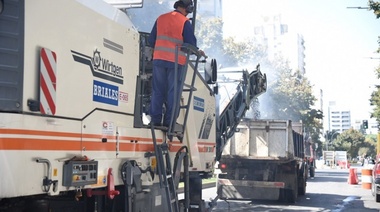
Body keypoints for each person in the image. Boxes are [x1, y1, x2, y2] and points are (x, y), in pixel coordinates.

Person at [148, 0, 206, 128]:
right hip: (175, 62)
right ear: (188, 8)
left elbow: (151, 41)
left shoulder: (161, 18)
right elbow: (189, 45)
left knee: (158, 90)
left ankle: (155, 120)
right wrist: (198, 51)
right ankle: (169, 122)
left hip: (158, 60)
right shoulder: (184, 22)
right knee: (173, 92)